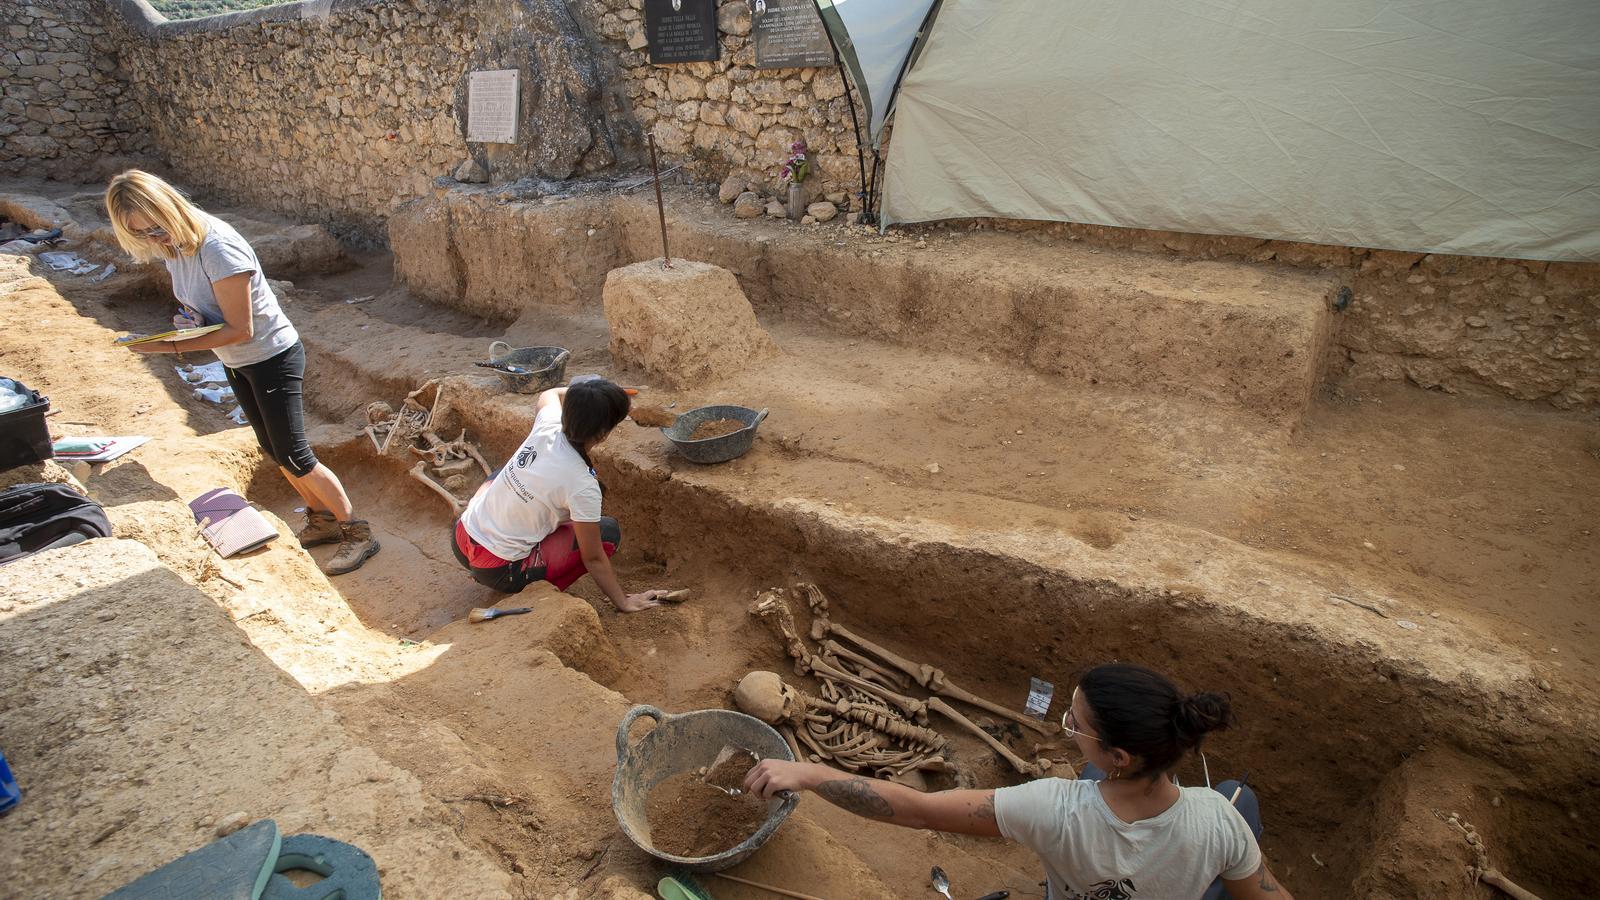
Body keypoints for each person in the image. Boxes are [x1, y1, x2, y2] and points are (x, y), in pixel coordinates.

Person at [745, 662, 1294, 900]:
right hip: (1190, 847)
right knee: (1236, 798)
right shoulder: (1218, 822)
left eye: (1074, 724)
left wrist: (813, 773)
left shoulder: (1053, 809)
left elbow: (914, 809)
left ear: (1120, 756)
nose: (1068, 729)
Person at [105, 170, 379, 575]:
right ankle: (321, 521)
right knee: (274, 450)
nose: (154, 239)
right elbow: (209, 310)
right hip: (236, 359)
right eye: (142, 234)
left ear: (172, 209)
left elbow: (241, 328)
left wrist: (165, 347)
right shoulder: (175, 246)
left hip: (270, 355)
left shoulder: (217, 248)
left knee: (296, 455)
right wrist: (188, 321)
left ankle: (358, 534)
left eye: (157, 228)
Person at [452, 379, 669, 613]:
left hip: (461, 539)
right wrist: (624, 602)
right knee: (606, 533)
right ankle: (535, 592)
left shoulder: (549, 423)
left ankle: (493, 555)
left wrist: (587, 395)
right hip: (500, 570)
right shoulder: (582, 484)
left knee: (499, 476)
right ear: (603, 434)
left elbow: (551, 392)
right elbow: (593, 558)